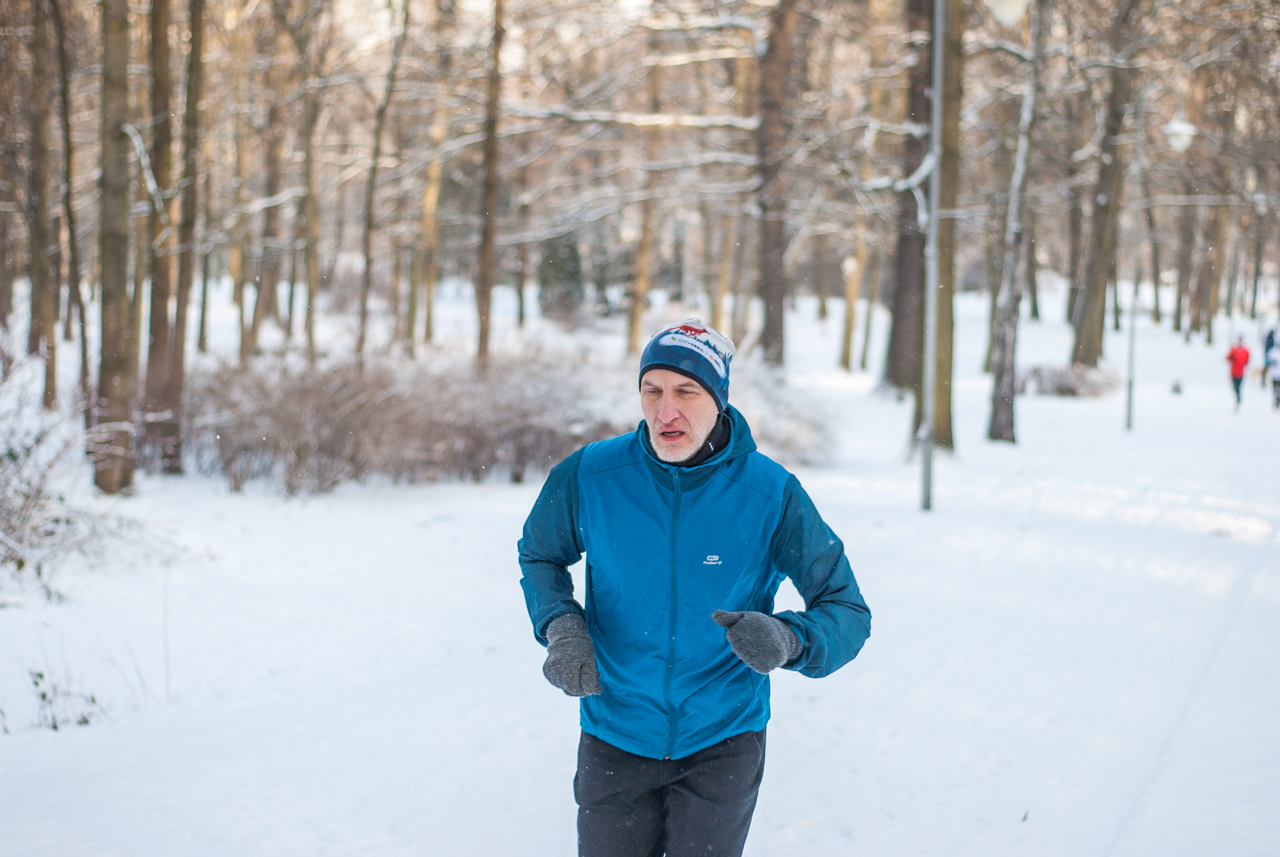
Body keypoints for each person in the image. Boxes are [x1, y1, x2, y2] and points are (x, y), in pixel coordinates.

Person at [518, 319, 871, 857]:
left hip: (723, 740)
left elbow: (847, 610)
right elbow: (540, 553)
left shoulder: (769, 493)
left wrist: (788, 638)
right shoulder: (590, 476)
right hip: (615, 729)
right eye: (652, 390)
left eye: (686, 391)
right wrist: (561, 627)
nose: (666, 411)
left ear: (720, 400)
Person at [1226, 336, 1250, 410]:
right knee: (1234, 387)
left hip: (1241, 372)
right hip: (1233, 372)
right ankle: (1238, 397)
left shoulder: (1245, 350)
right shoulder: (1234, 349)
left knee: (1238, 387)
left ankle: (1238, 398)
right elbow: (1227, 358)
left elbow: (1247, 360)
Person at [1268, 340, 1280, 409]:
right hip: (1275, 375)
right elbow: (1269, 361)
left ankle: (1277, 403)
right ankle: (1275, 402)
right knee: (1275, 390)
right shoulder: (1273, 351)